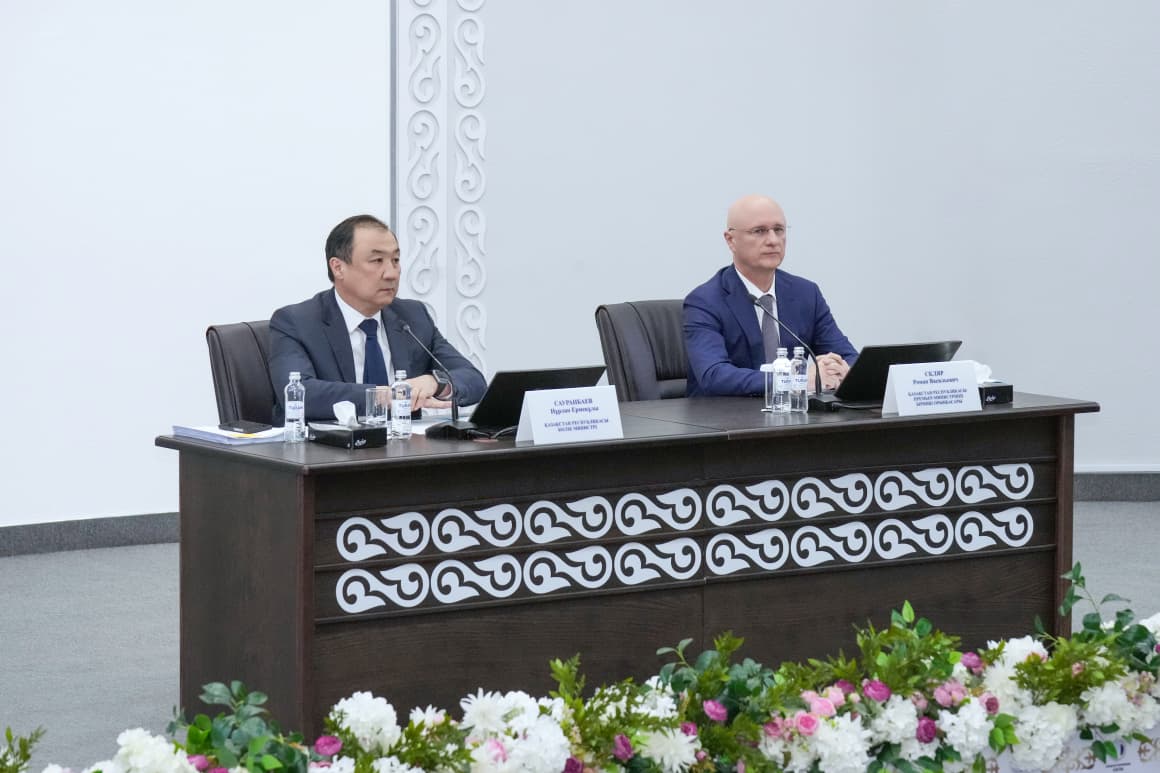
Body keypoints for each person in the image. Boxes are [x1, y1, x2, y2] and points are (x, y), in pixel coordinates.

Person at [269, 214, 487, 421]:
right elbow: (300, 394)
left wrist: (435, 383)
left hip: (403, 445)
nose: (391, 273)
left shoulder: (412, 317)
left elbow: (473, 379)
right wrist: (385, 396)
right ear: (338, 268)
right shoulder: (296, 322)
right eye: (376, 261)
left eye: (395, 260)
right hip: (328, 445)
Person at [684, 194, 857, 397]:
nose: (773, 240)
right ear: (731, 240)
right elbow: (714, 376)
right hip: (727, 414)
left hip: (794, 413)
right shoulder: (704, 301)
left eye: (779, 230)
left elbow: (847, 356)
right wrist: (796, 379)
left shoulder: (806, 293)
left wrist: (841, 370)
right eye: (759, 231)